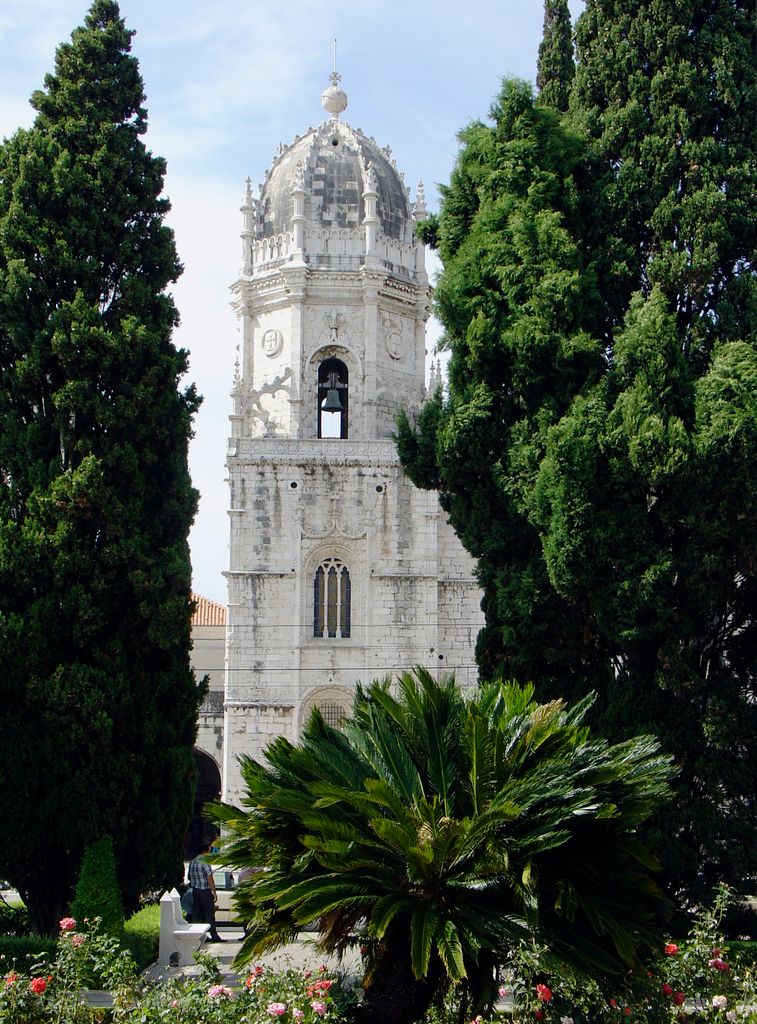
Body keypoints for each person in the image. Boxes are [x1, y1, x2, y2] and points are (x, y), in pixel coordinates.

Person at [188, 840, 224, 942]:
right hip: (204, 890)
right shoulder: (205, 861)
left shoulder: (192, 861)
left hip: (195, 890)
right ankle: (214, 935)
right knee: (209, 912)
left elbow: (189, 877)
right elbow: (209, 877)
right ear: (204, 851)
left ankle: (198, 936)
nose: (210, 851)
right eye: (209, 849)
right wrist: (214, 891)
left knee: (197, 913)